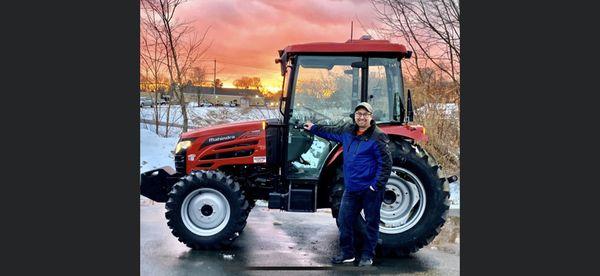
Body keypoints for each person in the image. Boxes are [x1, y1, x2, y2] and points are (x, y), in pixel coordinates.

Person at [304, 102, 392, 267]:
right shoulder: (347, 132)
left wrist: (375, 186)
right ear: (355, 116)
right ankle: (347, 254)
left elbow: (386, 164)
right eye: (359, 114)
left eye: (365, 114)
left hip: (370, 190)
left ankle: (367, 255)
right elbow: (330, 132)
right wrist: (314, 127)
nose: (361, 117)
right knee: (344, 221)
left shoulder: (377, 136)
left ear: (371, 117)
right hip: (351, 189)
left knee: (371, 223)